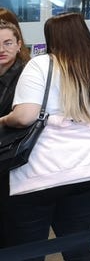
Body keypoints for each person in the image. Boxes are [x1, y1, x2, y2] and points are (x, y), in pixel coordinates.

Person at [0, 12, 90, 260]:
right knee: (80, 248)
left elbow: (25, 116)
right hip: (88, 171)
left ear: (51, 39)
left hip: (38, 173)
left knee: (29, 250)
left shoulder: (41, 64)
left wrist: (3, 120)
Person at [0, 16, 30, 248]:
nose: (2, 49)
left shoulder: (28, 75)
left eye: (8, 43)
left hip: (13, 157)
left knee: (11, 225)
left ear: (19, 44)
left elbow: (24, 119)